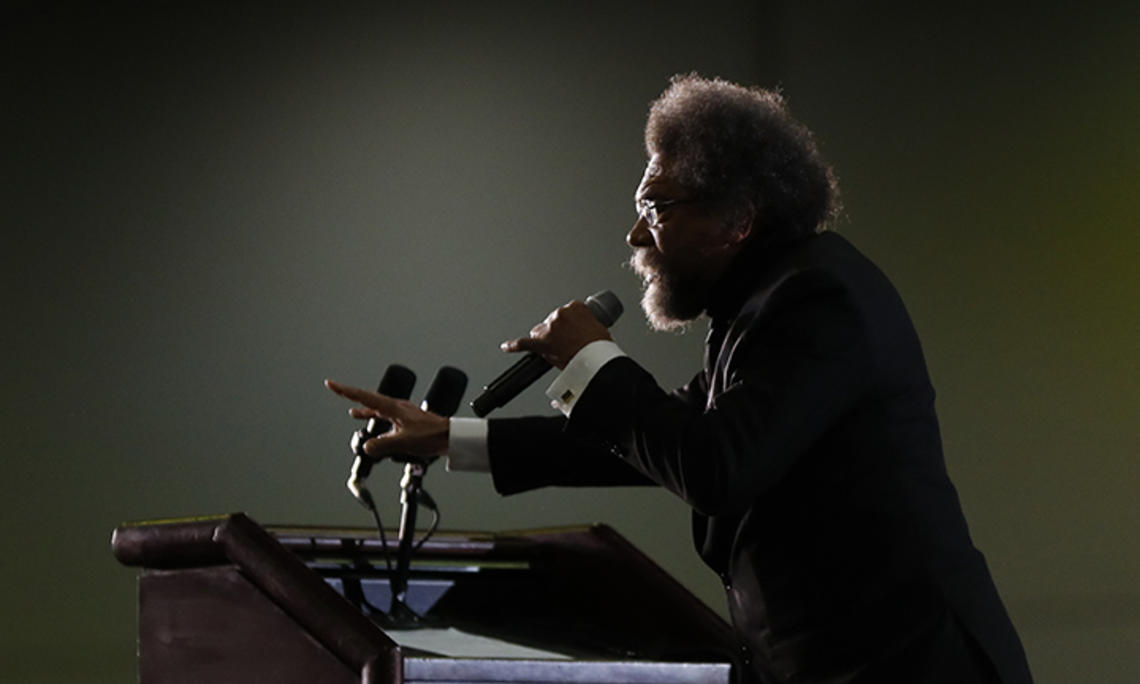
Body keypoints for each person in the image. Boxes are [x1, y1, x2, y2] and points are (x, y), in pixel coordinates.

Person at [325, 74, 1033, 684]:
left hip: (906, 666)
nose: (636, 237)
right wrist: (452, 438)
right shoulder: (763, 306)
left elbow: (715, 466)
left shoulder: (820, 300)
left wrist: (593, 360)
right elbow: (654, 440)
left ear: (737, 220)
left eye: (655, 208)